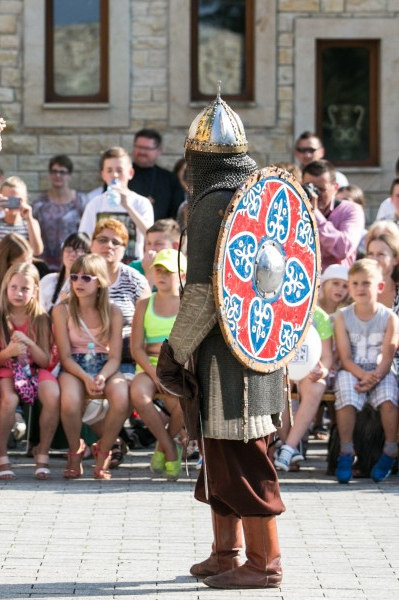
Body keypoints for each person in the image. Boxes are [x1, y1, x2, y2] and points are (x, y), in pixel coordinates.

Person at [160, 96, 285, 588]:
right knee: (219, 455)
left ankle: (264, 563)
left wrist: (174, 350)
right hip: (260, 345)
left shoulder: (213, 203)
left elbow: (205, 293)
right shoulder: (260, 193)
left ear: (199, 159)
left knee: (243, 456)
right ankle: (226, 552)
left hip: (228, 357)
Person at [52, 254, 128, 479]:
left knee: (122, 398)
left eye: (86, 277)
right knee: (70, 402)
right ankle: (75, 450)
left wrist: (102, 377)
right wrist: (86, 378)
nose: (78, 282)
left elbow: (115, 357)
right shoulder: (62, 310)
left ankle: (103, 450)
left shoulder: (113, 311)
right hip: (75, 365)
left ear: (100, 281)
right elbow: (65, 357)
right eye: (74, 277)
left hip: (105, 364)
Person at [0, 263, 59, 480]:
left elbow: (45, 361)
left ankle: (42, 453)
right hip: (7, 369)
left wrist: (30, 344)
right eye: (14, 287)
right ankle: (1, 455)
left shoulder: (42, 319)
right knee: (8, 399)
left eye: (25, 289)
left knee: (53, 395)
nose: (18, 293)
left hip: (33, 370)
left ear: (35, 290)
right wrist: (9, 351)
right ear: (6, 287)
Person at [332, 258, 399, 484]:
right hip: (353, 369)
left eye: (367, 283)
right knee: (346, 395)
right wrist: (362, 376)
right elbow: (344, 356)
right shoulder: (343, 317)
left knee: (389, 399)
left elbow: (388, 355)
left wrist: (375, 377)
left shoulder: (389, 317)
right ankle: (346, 450)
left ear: (379, 287)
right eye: (356, 283)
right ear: (350, 287)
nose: (361, 288)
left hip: (380, 370)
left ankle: (390, 449)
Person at [130, 249, 186, 480]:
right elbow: (136, 348)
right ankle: (170, 448)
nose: (161, 276)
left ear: (182, 275)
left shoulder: (187, 304)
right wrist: (155, 375)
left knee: (186, 400)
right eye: (158, 270)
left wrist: (170, 373)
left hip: (178, 367)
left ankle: (162, 449)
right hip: (149, 366)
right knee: (138, 394)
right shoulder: (144, 305)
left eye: (168, 272)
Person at [273, 297, 335, 472]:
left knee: (316, 388)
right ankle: (288, 448)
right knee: (278, 388)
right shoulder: (278, 308)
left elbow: (327, 356)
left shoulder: (320, 317)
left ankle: (288, 448)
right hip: (282, 369)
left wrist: (323, 371)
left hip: (310, 370)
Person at [90, 217, 150, 373]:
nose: (108, 246)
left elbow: (148, 322)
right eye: (102, 239)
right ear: (92, 244)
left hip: (126, 358)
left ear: (124, 249)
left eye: (115, 242)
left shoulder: (135, 279)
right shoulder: (79, 276)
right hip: (87, 355)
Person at [79, 147, 154, 263]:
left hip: (133, 265)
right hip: (101, 266)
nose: (114, 175)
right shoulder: (95, 203)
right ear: (103, 175)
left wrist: (128, 207)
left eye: (119, 170)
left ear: (130, 173)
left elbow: (151, 236)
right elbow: (84, 239)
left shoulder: (141, 203)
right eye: (109, 170)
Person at [303, 160, 364, 270]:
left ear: (335, 188)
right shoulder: (295, 211)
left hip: (337, 283)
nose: (315, 194)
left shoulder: (351, 210)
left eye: (321, 189)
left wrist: (315, 214)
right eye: (309, 187)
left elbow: (344, 249)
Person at [31, 155, 89, 271]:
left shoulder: (81, 201)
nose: (58, 175)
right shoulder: (39, 204)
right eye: (54, 171)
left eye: (62, 172)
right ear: (50, 174)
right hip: (43, 264)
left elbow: (87, 232)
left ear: (69, 175)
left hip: (73, 263)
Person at [0, 176, 43, 268]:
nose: (12, 204)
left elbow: (36, 251)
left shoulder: (30, 223)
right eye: (7, 199)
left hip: (21, 274)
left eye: (16, 200)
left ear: (25, 200)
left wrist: (29, 219)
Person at [129, 129, 184, 221]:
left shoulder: (170, 179)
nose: (142, 152)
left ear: (158, 150)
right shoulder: (121, 175)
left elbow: (177, 212)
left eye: (147, 148)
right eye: (138, 147)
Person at [39, 232, 89, 314]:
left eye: (79, 250)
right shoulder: (48, 280)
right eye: (69, 249)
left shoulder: (87, 285)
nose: (73, 254)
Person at [129, 218, 180, 288]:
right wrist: (149, 274)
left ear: (175, 246)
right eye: (148, 243)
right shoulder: (134, 268)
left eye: (158, 244)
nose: (151, 249)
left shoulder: (185, 270)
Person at [365, 233, 399, 307]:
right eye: (370, 254)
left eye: (381, 254)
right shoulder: (356, 290)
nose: (374, 259)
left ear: (395, 260)